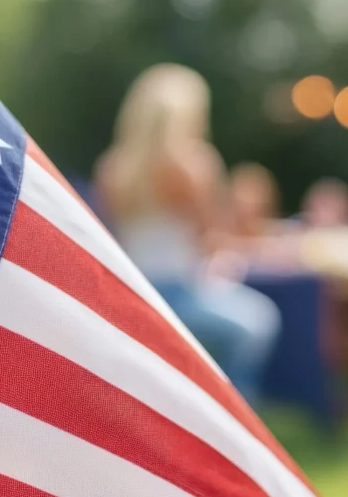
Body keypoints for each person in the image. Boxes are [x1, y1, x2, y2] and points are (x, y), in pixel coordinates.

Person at [95, 63, 280, 404]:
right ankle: (234, 411)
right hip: (180, 294)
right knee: (258, 320)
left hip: (135, 292)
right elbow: (213, 240)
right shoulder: (191, 166)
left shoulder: (112, 169)